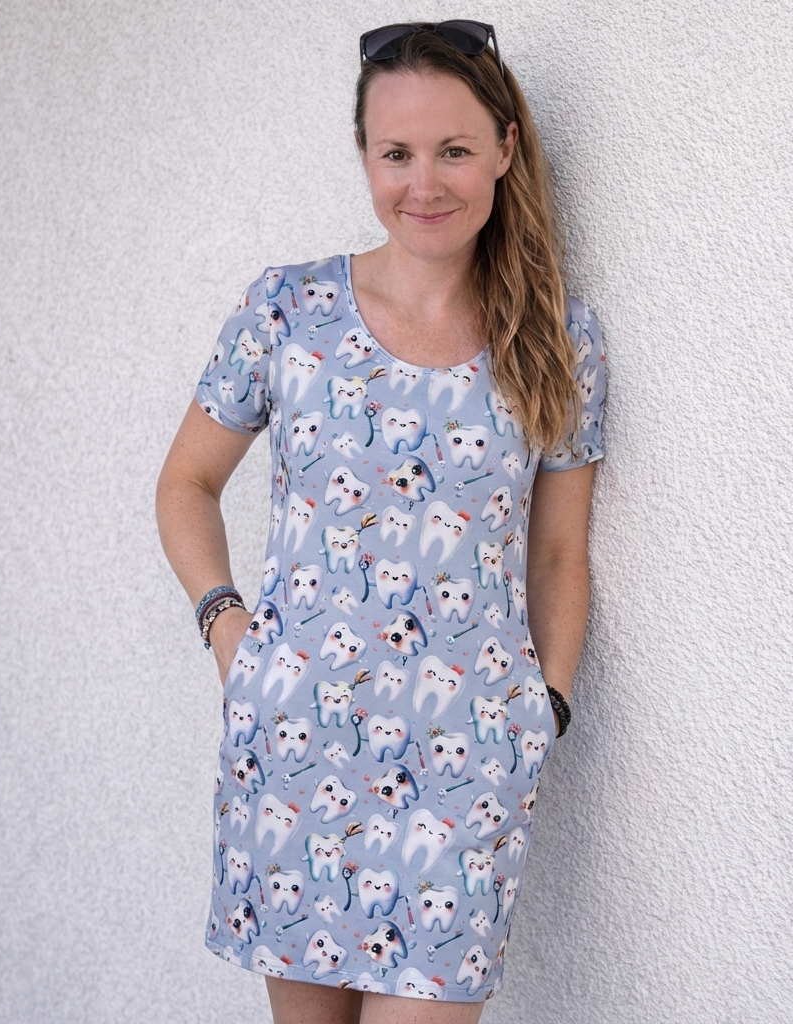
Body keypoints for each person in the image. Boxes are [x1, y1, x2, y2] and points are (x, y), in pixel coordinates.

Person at [156, 19, 606, 1024]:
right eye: (396, 153)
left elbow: (558, 552)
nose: (424, 183)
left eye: (454, 149)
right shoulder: (287, 311)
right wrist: (229, 631)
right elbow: (185, 483)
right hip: (295, 752)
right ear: (365, 155)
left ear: (505, 147)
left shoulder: (559, 337)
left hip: (466, 768)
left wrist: (545, 710)